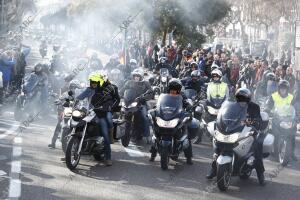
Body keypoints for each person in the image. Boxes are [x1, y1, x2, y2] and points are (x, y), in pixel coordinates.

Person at [207, 88, 266, 186]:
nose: (241, 100)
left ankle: (260, 174)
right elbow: (225, 115)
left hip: (248, 131)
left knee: (257, 149)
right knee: (218, 146)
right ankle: (214, 169)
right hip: (234, 130)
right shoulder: (232, 105)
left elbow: (258, 120)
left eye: (244, 98)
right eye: (240, 98)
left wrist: (254, 122)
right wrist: (221, 121)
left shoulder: (254, 107)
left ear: (248, 99)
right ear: (236, 98)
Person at [76, 72, 120, 166]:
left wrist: (109, 107)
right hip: (88, 112)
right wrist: (72, 99)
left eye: (95, 82)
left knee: (105, 133)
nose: (93, 83)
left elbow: (116, 100)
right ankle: (71, 150)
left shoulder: (109, 89)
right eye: (92, 82)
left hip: (101, 114)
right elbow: (80, 97)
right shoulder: (89, 90)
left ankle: (108, 157)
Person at [149, 78, 193, 164]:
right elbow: (158, 104)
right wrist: (155, 109)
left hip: (177, 117)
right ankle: (153, 154)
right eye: (172, 89)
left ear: (179, 90)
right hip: (165, 116)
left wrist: (188, 107)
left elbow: (187, 103)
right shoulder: (164, 95)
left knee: (185, 135)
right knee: (156, 134)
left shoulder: (182, 96)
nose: (174, 91)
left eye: (176, 89)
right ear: (169, 88)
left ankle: (189, 157)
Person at [265, 80, 298, 161]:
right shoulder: (273, 96)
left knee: (292, 135)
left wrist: (297, 117)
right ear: (279, 88)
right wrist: (268, 109)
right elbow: (269, 105)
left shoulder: (291, 97)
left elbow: (296, 109)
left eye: (285, 88)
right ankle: (273, 150)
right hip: (276, 118)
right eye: (281, 88)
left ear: (287, 89)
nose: (283, 90)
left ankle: (292, 153)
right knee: (274, 134)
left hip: (288, 119)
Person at [119, 68, 153, 141]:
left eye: (138, 76)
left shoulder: (146, 83)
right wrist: (118, 95)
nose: (136, 77)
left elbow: (150, 92)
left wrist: (144, 97)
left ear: (141, 77)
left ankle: (147, 136)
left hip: (141, 103)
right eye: (135, 76)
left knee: (144, 117)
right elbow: (122, 90)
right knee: (119, 112)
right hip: (129, 102)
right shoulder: (129, 82)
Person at [48, 80, 82, 149]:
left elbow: (84, 103)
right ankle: (53, 142)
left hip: (77, 113)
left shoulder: (81, 96)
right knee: (59, 124)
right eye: (72, 87)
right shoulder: (66, 94)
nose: (73, 89)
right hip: (67, 112)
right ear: (70, 87)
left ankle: (79, 145)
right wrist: (59, 101)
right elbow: (61, 99)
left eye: (75, 87)